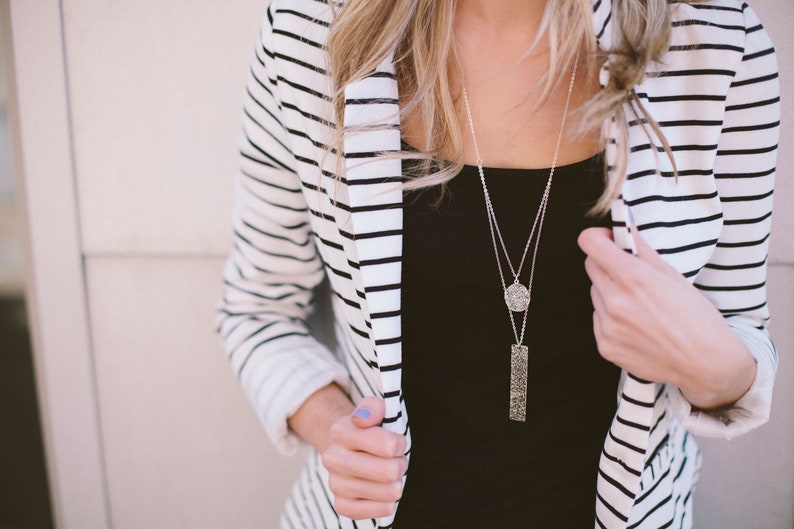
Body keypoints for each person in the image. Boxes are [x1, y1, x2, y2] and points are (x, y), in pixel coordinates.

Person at [216, 0, 779, 527]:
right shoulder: (313, 30)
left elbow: (741, 334)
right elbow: (257, 310)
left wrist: (716, 368)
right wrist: (335, 428)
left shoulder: (715, 41)